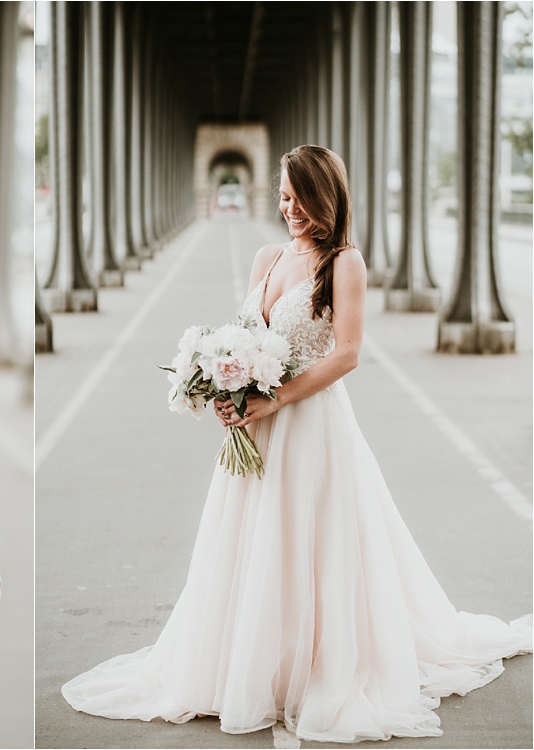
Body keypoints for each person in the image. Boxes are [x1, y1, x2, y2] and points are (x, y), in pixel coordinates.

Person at [61, 145, 532, 742]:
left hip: (311, 425)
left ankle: (313, 667)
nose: (291, 210)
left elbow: (347, 353)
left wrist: (276, 397)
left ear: (325, 199)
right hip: (255, 424)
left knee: (313, 542)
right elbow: (245, 334)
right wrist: (224, 383)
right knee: (252, 545)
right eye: (284, 198)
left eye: (301, 200)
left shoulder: (345, 263)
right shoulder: (267, 255)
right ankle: (251, 662)